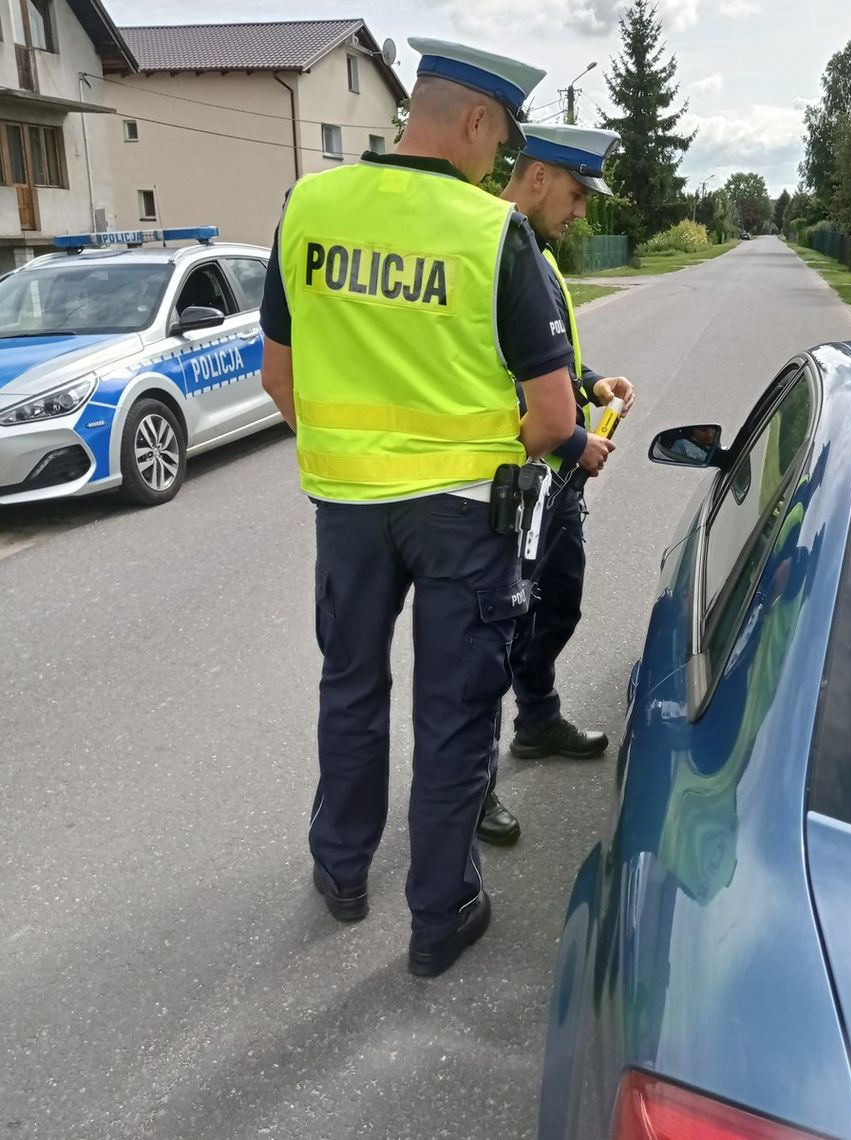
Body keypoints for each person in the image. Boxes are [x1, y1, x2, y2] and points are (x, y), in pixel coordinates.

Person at [258, 37, 577, 978]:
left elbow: (280, 376)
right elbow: (555, 415)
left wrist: (359, 455)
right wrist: (470, 454)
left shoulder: (308, 205)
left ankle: (342, 871)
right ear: (475, 121)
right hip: (462, 517)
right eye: (502, 140)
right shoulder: (491, 233)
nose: (499, 160)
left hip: (348, 508)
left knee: (351, 688)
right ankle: (440, 918)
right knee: (453, 712)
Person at [476, 124, 637, 846]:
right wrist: (575, 436)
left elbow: (542, 357)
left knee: (557, 606)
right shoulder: (491, 249)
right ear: (536, 176)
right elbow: (494, 374)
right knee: (491, 632)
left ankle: (537, 721)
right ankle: (470, 786)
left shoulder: (533, 252)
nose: (581, 213)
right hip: (512, 478)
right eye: (576, 194)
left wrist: (589, 381)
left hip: (554, 480)